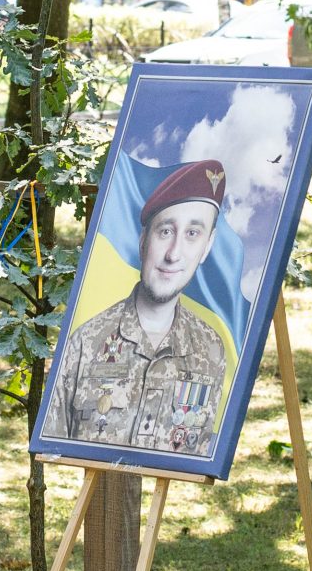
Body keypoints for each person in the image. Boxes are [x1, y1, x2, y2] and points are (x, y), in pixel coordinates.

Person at [46, 159, 232, 454]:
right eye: (166, 231)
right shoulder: (85, 342)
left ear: (207, 246)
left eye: (192, 234)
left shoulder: (212, 349)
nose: (174, 254)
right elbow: (54, 443)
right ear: (143, 239)